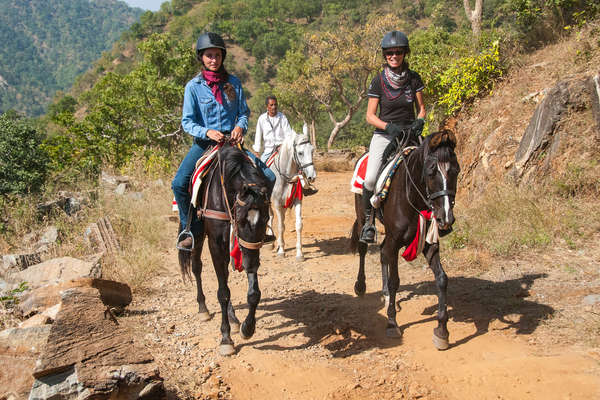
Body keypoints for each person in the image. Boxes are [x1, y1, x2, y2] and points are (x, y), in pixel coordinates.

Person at [172, 32, 275, 249]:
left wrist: (239, 126)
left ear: (222, 57)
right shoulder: (193, 87)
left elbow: (243, 113)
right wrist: (207, 132)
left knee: (269, 176)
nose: (213, 60)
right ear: (201, 57)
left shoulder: (234, 83)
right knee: (179, 183)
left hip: (232, 144)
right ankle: (189, 229)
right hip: (204, 145)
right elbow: (187, 122)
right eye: (209, 55)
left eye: (217, 55)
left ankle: (260, 225)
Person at [360, 30, 426, 243]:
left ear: (405, 53)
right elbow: (370, 116)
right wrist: (388, 127)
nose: (394, 56)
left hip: (410, 133)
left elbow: (422, 108)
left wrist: (420, 121)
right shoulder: (378, 81)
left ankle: (438, 218)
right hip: (385, 135)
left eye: (398, 52)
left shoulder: (414, 79)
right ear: (385, 55)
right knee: (370, 178)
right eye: (389, 52)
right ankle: (368, 223)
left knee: (433, 168)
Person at [253, 95, 318, 195]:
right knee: (259, 170)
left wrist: (282, 145)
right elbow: (258, 135)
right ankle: (261, 192)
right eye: (271, 105)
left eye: (275, 105)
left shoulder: (282, 117)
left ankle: (306, 187)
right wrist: (256, 151)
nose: (274, 107)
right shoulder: (262, 119)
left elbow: (288, 134)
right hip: (268, 150)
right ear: (267, 107)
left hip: (282, 149)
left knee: (299, 165)